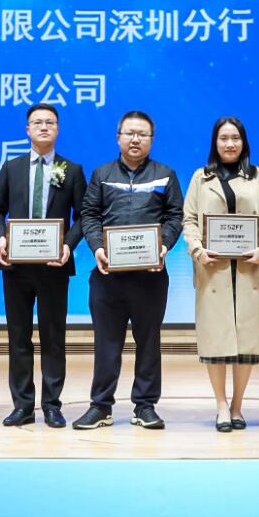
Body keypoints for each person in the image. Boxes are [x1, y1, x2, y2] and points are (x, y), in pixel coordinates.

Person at [74, 111, 184, 431]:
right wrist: (98, 248)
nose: (136, 139)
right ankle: (101, 406)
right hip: (108, 276)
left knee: (149, 342)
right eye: (130, 133)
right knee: (106, 344)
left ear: (151, 139)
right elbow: (89, 215)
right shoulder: (102, 173)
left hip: (151, 276)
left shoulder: (165, 174)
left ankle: (145, 406)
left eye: (142, 134)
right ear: (118, 137)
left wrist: (164, 245)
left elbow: (175, 216)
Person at [0, 103, 88, 429]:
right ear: (27, 130)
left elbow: (83, 216)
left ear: (57, 129)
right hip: (15, 266)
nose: (44, 127)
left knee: (53, 338)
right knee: (18, 337)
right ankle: (23, 406)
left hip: (54, 266)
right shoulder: (11, 167)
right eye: (37, 122)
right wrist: (1, 238)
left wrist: (67, 245)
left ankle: (52, 405)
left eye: (50, 122)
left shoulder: (72, 170)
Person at [181, 117, 259, 432]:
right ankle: (221, 405)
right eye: (223, 138)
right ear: (215, 142)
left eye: (235, 138)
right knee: (216, 343)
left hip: (250, 270)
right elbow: (189, 220)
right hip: (213, 270)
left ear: (244, 142)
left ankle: (237, 406)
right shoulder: (201, 177)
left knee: (246, 345)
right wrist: (197, 250)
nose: (230, 144)